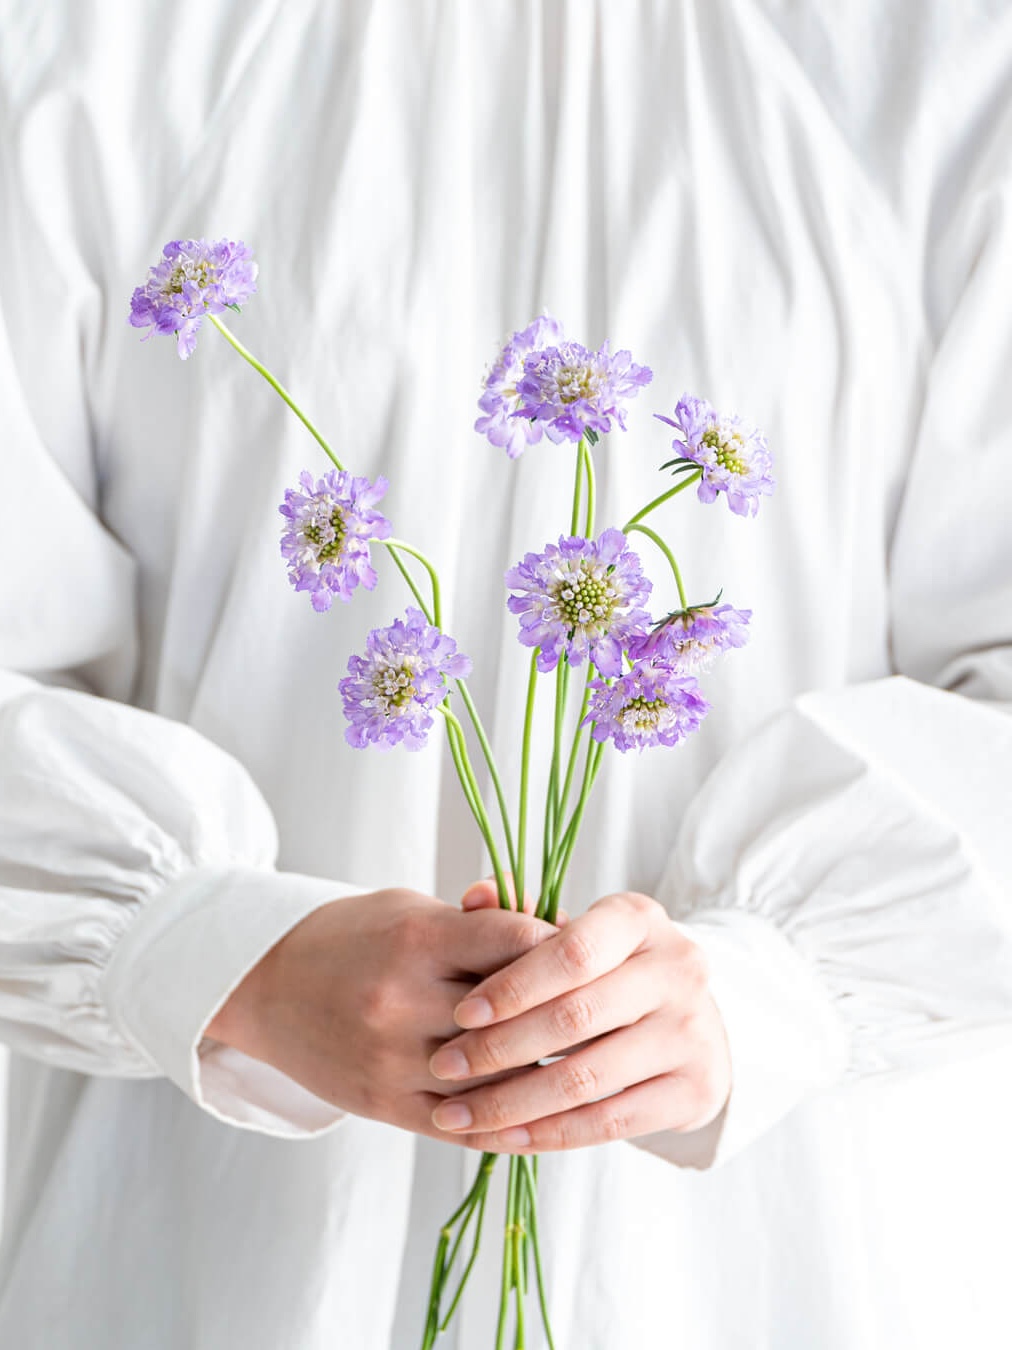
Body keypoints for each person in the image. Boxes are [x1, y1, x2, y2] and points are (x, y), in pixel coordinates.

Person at [1, 2, 1011, 1347]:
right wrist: (225, 958)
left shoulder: (947, 70)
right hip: (209, 1257)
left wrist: (757, 995)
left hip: (782, 1259)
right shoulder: (88, 51)